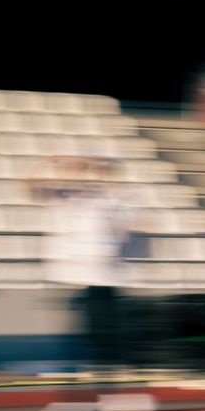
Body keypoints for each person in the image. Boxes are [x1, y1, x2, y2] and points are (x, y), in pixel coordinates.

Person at [29, 154, 136, 379]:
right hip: (72, 269)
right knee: (80, 321)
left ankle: (108, 362)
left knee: (103, 321)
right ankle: (87, 361)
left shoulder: (109, 198)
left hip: (102, 271)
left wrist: (94, 169)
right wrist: (52, 164)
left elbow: (118, 198)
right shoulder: (65, 196)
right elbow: (33, 186)